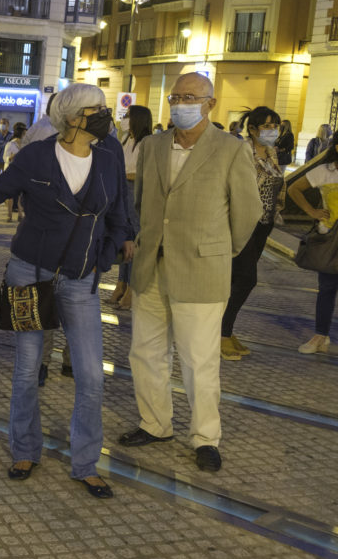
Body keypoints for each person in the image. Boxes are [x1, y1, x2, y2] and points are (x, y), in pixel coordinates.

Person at [0, 83, 129, 499]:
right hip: (29, 274)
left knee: (90, 375)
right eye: (96, 109)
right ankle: (25, 449)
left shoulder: (108, 156)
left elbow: (120, 208)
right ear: (71, 117)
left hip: (82, 279)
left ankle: (85, 463)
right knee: (28, 368)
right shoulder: (35, 157)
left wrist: (107, 255)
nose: (105, 114)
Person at [119, 72, 261, 473]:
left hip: (202, 269)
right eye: (175, 97)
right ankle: (155, 423)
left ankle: (205, 438)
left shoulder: (231, 149)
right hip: (151, 266)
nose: (180, 104)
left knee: (199, 361)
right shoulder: (152, 146)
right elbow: (140, 202)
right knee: (145, 353)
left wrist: (219, 250)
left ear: (209, 104)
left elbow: (248, 211)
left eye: (190, 97)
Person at [220, 106, 285, 360]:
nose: (272, 131)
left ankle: (225, 329)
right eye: (267, 126)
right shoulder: (241, 151)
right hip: (242, 223)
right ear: (254, 129)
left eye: (275, 126)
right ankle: (222, 333)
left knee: (236, 279)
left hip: (263, 224)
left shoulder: (272, 153)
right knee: (247, 279)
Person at [286, 132, 338, 355]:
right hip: (329, 237)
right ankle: (320, 335)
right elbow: (293, 188)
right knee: (326, 288)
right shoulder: (325, 171)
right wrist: (312, 211)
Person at [109, 105, 152, 310]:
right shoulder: (126, 140)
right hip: (122, 190)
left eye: (127, 116)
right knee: (124, 237)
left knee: (134, 238)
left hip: (134, 191)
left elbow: (145, 174)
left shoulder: (146, 143)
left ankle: (131, 291)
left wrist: (123, 176)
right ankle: (121, 285)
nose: (124, 119)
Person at [0, 122, 27, 221]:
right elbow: (5, 158)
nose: (25, 133)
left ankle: (20, 214)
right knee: (10, 195)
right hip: (11, 172)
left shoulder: (25, 144)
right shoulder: (10, 144)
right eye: (24, 131)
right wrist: (11, 157)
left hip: (21, 172)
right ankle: (9, 215)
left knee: (20, 195)